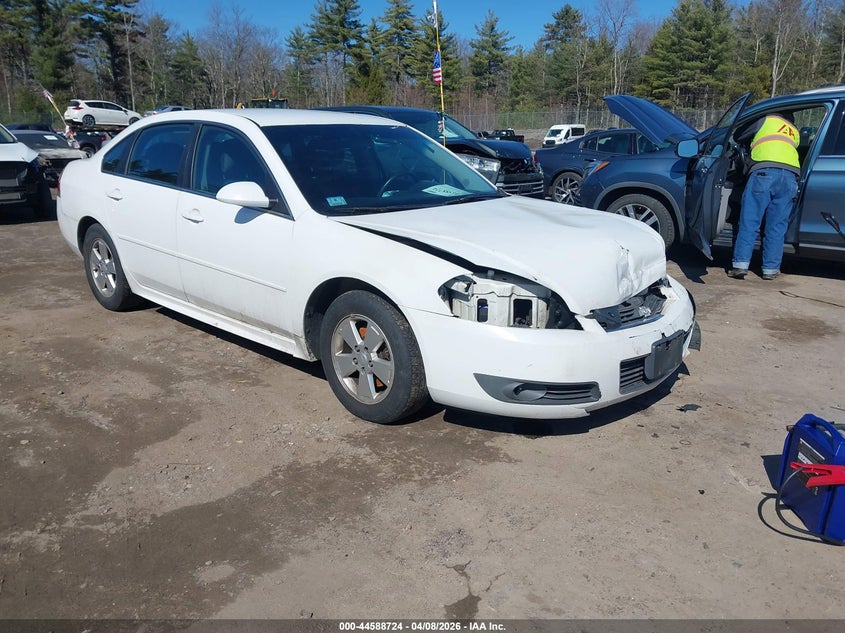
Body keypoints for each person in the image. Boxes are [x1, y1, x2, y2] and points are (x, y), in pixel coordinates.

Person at [728, 112, 800, 280]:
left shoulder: (765, 120)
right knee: (776, 227)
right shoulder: (794, 131)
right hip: (790, 178)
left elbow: (738, 136)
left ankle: (740, 265)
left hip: (764, 173)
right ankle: (770, 270)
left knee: (750, 220)